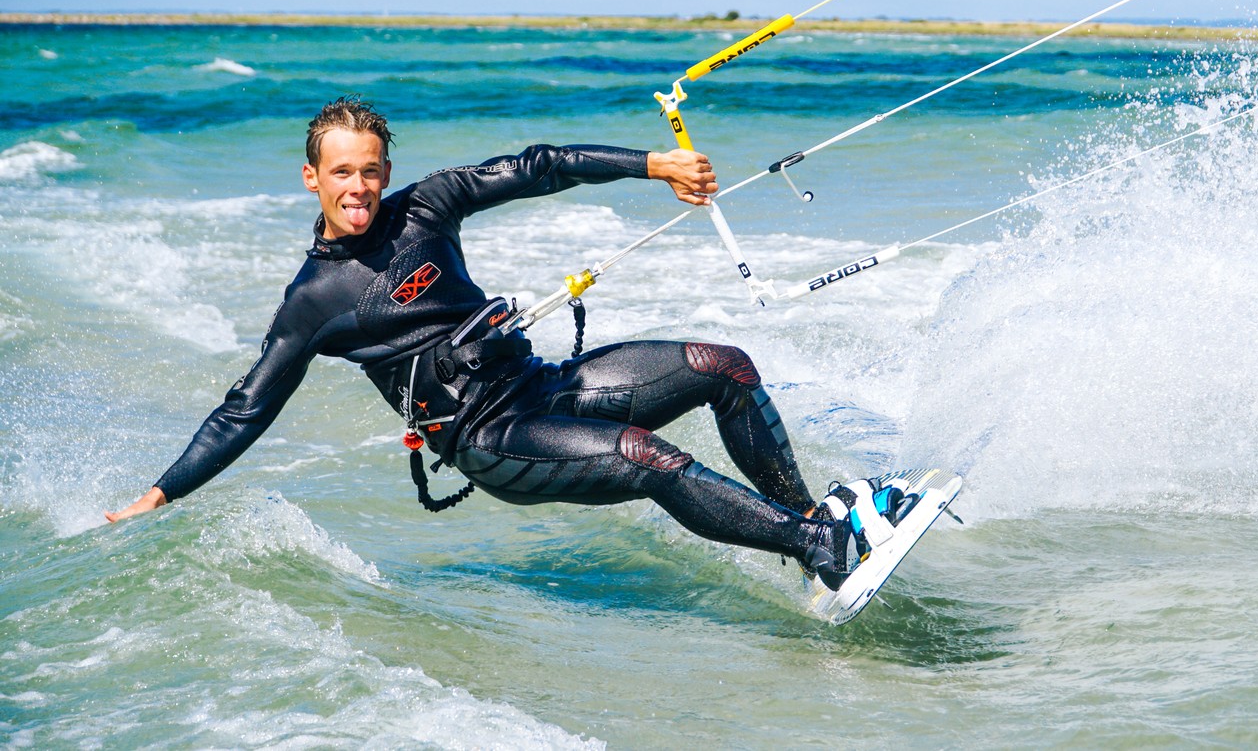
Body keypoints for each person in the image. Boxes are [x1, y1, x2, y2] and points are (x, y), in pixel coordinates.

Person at [105, 96, 863, 590]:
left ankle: (810, 522)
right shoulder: (313, 302)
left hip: (541, 387)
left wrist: (653, 164)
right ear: (312, 178)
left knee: (724, 367)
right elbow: (245, 409)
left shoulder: (426, 209)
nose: (357, 188)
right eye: (341, 173)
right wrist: (159, 494)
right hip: (490, 438)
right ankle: (815, 546)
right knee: (646, 458)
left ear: (386, 171)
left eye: (369, 171)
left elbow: (540, 167)